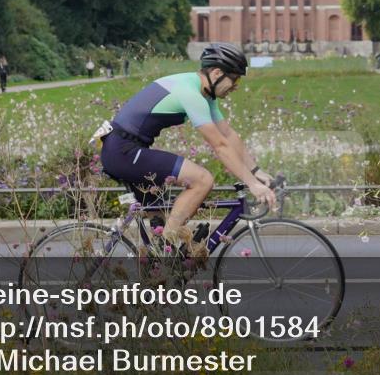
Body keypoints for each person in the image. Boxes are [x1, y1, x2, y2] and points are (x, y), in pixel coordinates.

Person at [97, 43, 276, 257]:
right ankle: (165, 248)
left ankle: (159, 263)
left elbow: (228, 135)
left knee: (163, 218)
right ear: (217, 73)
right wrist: (252, 184)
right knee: (202, 180)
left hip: (125, 149)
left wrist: (256, 172)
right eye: (234, 79)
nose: (236, 86)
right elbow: (219, 145)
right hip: (123, 152)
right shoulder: (190, 93)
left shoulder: (202, 92)